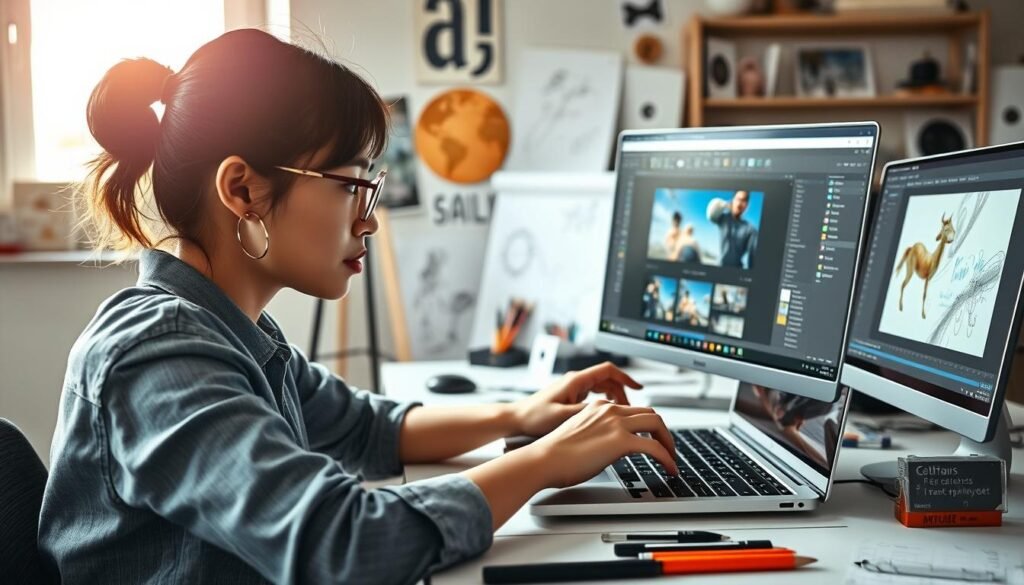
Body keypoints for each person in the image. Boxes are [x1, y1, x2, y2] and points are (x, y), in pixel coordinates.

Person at [38, 30, 679, 585]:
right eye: (351, 187)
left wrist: (523, 414)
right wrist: (542, 463)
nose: (370, 223)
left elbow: (366, 428)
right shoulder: (160, 352)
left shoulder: (232, 330)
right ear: (242, 189)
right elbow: (341, 546)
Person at [707, 190, 758, 269]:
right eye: (738, 199)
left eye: (743, 200)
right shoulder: (724, 219)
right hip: (720, 267)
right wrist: (725, 204)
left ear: (747, 205)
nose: (740, 203)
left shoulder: (751, 229)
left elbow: (753, 259)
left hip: (737, 270)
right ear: (733, 200)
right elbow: (711, 215)